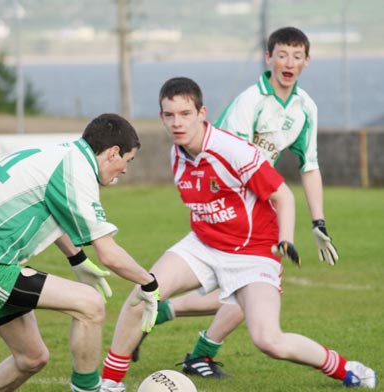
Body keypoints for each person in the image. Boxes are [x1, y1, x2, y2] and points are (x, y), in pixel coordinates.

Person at [99, 77, 376, 392]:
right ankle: (109, 384)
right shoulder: (176, 153)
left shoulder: (232, 150)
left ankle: (346, 369)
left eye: (185, 113)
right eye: (170, 115)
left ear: (202, 113)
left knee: (269, 340)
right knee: (142, 294)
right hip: (203, 244)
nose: (177, 122)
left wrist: (285, 239)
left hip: (253, 252)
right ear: (161, 117)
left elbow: (282, 195)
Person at [133, 26, 341, 376]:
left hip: (264, 199)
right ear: (268, 58)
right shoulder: (250, 102)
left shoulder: (306, 108)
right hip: (237, 202)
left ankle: (186, 337)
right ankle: (193, 346)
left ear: (307, 61)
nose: (288, 62)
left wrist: (318, 222)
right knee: (254, 288)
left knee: (254, 292)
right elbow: (230, 161)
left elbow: (310, 165)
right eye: (282, 54)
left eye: (296, 55)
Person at [0, 113, 160, 392]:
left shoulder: (61, 155)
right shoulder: (76, 170)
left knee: (31, 358)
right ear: (113, 152)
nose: (125, 171)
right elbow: (108, 253)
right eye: (127, 161)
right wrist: (149, 283)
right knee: (90, 305)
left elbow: (51, 212)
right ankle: (88, 389)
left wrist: (77, 258)